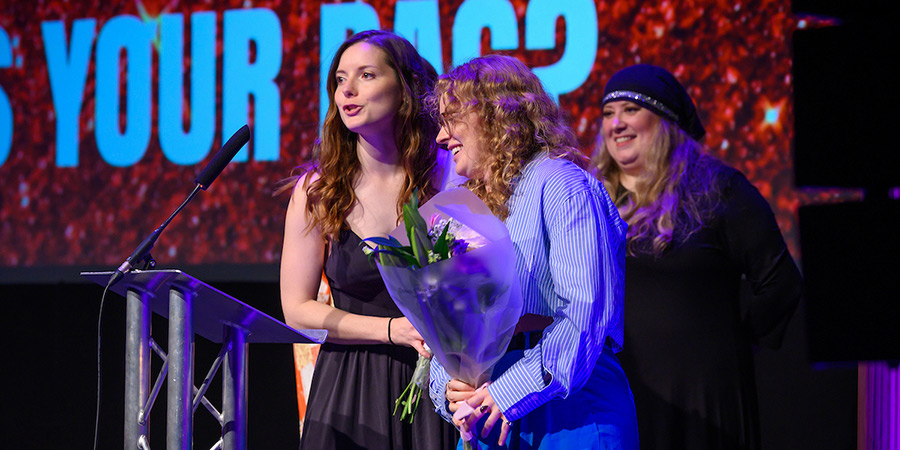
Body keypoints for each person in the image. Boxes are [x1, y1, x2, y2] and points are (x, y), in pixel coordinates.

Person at [427, 54, 639, 449]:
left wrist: (507, 393)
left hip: (569, 409)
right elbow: (446, 328)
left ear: (497, 113)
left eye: (452, 118)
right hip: (485, 415)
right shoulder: (457, 208)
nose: (441, 137)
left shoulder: (560, 183)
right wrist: (449, 388)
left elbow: (583, 314)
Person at [592, 64, 803, 449]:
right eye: (608, 113)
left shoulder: (716, 189)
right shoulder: (590, 198)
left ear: (665, 119)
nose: (616, 124)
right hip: (623, 393)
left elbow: (779, 280)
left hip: (703, 395)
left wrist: (736, 341)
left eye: (630, 110)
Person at [279, 30, 460, 449]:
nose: (348, 90)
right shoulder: (318, 192)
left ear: (405, 90)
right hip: (348, 387)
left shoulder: (449, 179)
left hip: (439, 383)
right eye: (341, 79)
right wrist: (392, 329)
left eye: (366, 75)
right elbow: (298, 310)